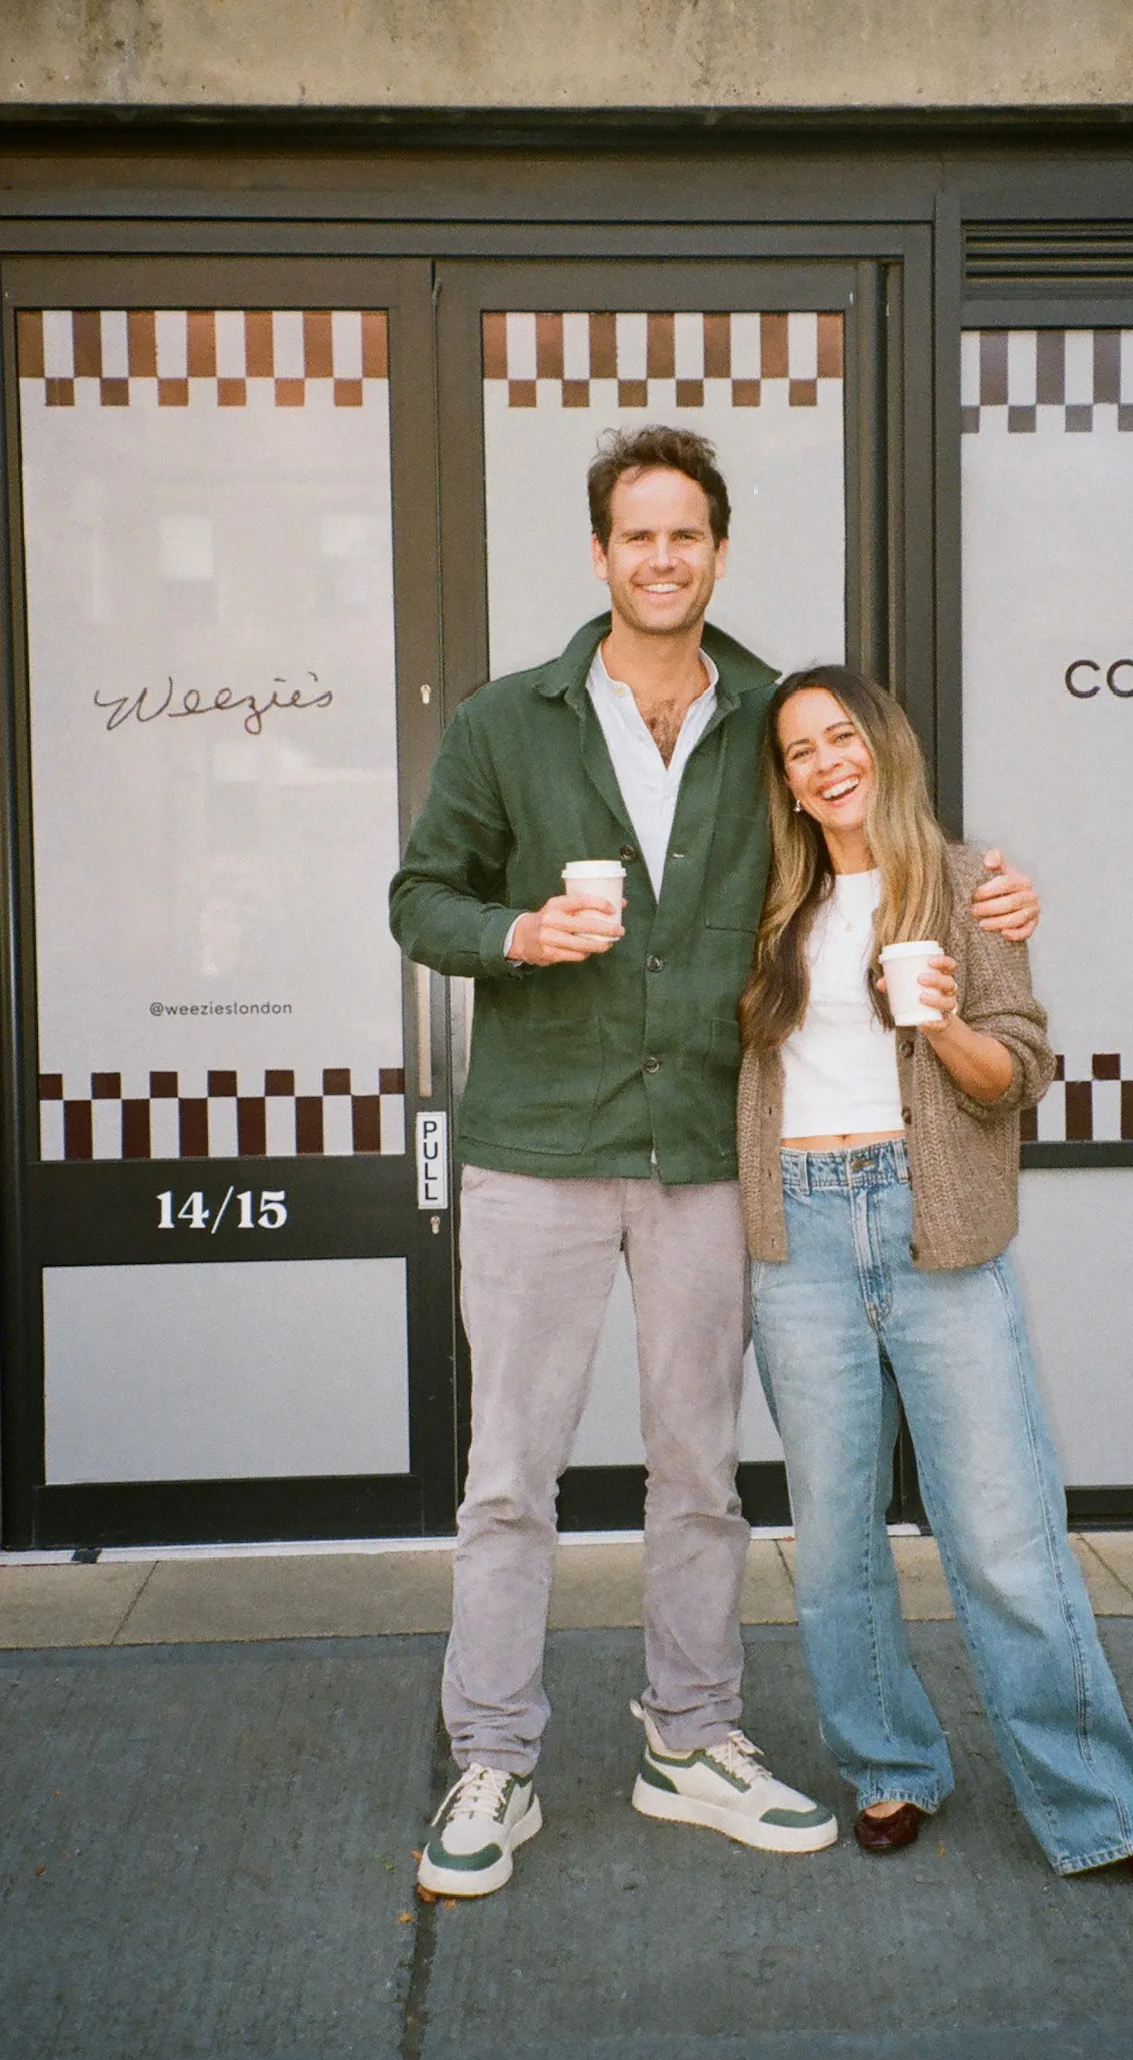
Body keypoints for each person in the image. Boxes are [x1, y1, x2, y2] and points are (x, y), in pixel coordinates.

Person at [389, 425, 1040, 1899]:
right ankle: (493, 1757)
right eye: (638, 536)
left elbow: (874, 831)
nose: (664, 559)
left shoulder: (768, 717)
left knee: (699, 1475)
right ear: (604, 554)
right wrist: (513, 934)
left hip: (706, 1154)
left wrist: (994, 885)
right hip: (538, 1147)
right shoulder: (509, 720)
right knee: (510, 1478)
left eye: (688, 535)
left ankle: (692, 1739)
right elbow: (419, 896)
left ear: (720, 549)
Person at [736, 666, 1133, 1898]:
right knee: (836, 1536)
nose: (824, 763)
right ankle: (890, 1764)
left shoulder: (968, 886)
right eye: (798, 751)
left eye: (841, 736)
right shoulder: (763, 899)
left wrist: (939, 1020)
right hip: (795, 1232)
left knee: (1006, 1535)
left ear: (885, 747)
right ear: (784, 783)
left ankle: (1107, 1809)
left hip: (932, 1220)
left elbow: (1017, 1073)